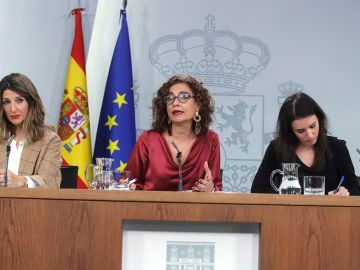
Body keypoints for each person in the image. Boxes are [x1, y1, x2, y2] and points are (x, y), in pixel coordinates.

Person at [251, 92, 360, 196]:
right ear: (290, 130)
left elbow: (354, 188)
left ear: (319, 119)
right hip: (289, 214)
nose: (310, 135)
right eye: (300, 131)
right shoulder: (277, 148)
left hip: (330, 215)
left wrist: (345, 192)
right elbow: (257, 190)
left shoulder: (337, 147)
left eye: (313, 126)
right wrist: (284, 196)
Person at [126, 75, 222, 191]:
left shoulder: (210, 139)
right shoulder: (148, 139)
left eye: (184, 97)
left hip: (194, 209)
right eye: (170, 98)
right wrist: (130, 187)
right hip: (151, 208)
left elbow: (216, 188)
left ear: (198, 105)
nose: (175, 103)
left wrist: (210, 189)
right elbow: (129, 181)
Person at [0, 73, 62, 188]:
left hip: (33, 206)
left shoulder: (49, 140)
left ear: (31, 103)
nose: (13, 109)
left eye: (19, 100)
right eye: (6, 102)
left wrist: (22, 181)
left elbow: (50, 183)